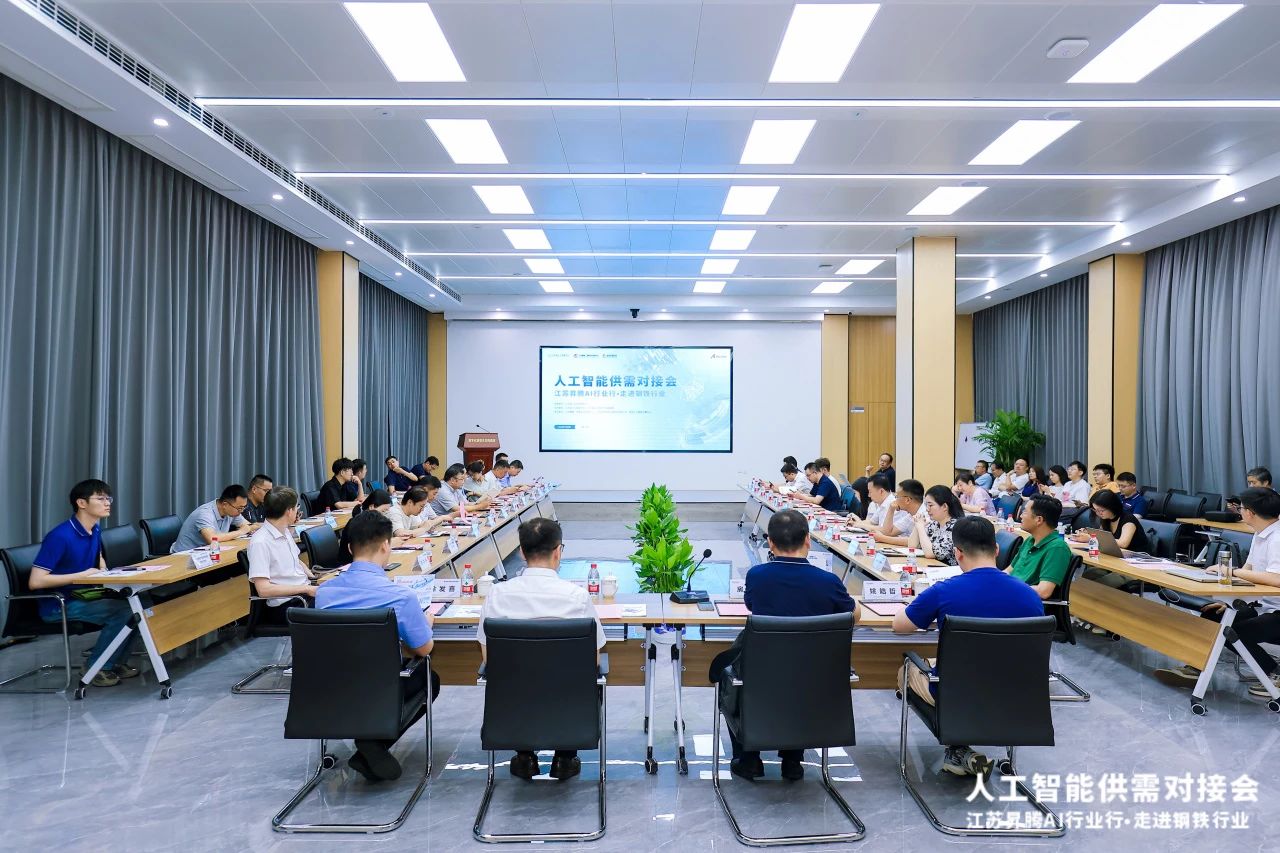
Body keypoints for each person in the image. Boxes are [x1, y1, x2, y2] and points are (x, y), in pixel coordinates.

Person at [709, 509, 859, 781]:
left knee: (732, 675)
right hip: (815, 678)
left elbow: (752, 606)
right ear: (808, 540)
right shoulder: (828, 582)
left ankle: (749, 759)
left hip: (764, 674)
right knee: (799, 679)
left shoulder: (757, 576)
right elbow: (851, 614)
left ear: (770, 542)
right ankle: (792, 761)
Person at [893, 516, 1044, 776]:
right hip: (1016, 693)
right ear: (997, 550)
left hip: (957, 692)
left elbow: (900, 625)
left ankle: (957, 746)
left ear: (958, 553)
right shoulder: (1030, 595)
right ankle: (960, 752)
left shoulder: (944, 591)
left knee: (907, 669)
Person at [316, 511, 440, 782]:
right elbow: (424, 649)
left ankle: (370, 748)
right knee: (429, 678)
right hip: (382, 687)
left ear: (350, 548)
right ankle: (374, 743)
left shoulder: (324, 592)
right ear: (386, 545)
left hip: (331, 688)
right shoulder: (400, 596)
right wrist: (426, 623)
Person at [477, 518, 605, 781]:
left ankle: (524, 756)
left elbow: (489, 658)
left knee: (513, 678)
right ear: (558, 551)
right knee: (586, 679)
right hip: (566, 700)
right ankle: (565, 757)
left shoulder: (497, 595)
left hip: (514, 700)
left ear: (521, 552)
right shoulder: (577, 597)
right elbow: (592, 660)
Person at [1153, 488, 1280, 696]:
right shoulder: (1261, 533)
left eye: (1240, 508)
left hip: (1276, 611)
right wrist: (1230, 600)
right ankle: (1196, 668)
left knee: (1231, 632)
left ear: (1250, 512)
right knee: (1213, 616)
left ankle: (1273, 673)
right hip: (1262, 604)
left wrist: (1231, 571)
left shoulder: (1277, 538)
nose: (1238, 512)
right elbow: (1249, 571)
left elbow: (1276, 579)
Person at [29, 480, 140, 687]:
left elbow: (98, 557)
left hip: (85, 595)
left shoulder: (94, 529)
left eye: (108, 498)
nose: (107, 503)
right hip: (59, 604)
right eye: (101, 498)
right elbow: (36, 581)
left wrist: (104, 571)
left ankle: (115, 663)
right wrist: (82, 575)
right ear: (81, 503)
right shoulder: (60, 536)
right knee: (125, 611)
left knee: (141, 602)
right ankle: (96, 668)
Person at [245, 486, 316, 615]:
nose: (297, 511)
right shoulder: (260, 542)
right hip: (286, 605)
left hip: (303, 594)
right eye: (296, 507)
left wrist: (315, 579)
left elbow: (296, 561)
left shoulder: (285, 531)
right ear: (289, 511)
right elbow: (263, 590)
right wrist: (306, 589)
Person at [1073, 490, 1152, 588]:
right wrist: (1087, 533)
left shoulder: (1128, 519)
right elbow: (1102, 536)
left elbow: (1123, 543)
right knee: (1087, 576)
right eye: (1095, 510)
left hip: (1135, 564)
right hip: (1116, 560)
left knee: (1103, 583)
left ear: (1112, 506)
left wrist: (1090, 538)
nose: (1098, 513)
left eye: (1101, 510)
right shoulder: (1106, 519)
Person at [1007, 495, 1073, 599]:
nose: (1021, 516)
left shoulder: (1057, 548)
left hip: (1022, 601)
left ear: (1039, 520)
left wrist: (1010, 587)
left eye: (1025, 512)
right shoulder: (1030, 540)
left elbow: (1044, 591)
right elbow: (1009, 570)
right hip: (1009, 594)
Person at [172, 484, 251, 552]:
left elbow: (248, 526)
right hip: (184, 555)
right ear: (225, 504)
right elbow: (212, 539)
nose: (241, 511)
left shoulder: (231, 512)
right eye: (239, 508)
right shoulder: (205, 513)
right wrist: (240, 532)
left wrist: (253, 526)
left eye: (244, 507)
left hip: (208, 553)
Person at [910, 485, 964, 566]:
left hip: (949, 570)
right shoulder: (935, 524)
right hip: (933, 567)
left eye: (930, 505)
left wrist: (920, 527)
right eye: (926, 505)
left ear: (944, 506)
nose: (927, 509)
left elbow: (930, 553)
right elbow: (912, 546)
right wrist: (917, 524)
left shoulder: (956, 527)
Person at [850, 474, 914, 540]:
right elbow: (871, 522)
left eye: (870, 492)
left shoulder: (895, 506)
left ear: (881, 491)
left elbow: (885, 530)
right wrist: (855, 523)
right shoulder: (882, 503)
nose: (869, 495)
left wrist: (860, 524)